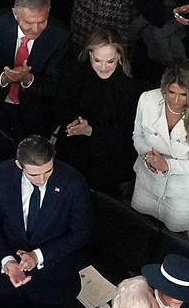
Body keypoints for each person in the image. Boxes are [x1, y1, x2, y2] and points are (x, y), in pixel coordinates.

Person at [0, 135, 92, 308]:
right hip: (7, 272)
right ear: (18, 164)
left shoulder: (73, 182)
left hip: (53, 276)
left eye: (47, 171)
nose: (42, 180)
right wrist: (7, 260)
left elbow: (81, 232)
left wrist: (38, 255)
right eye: (34, 174)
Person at [0, 0, 68, 138]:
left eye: (42, 21)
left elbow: (54, 86)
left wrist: (28, 79)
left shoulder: (59, 36)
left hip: (33, 114)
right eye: (29, 23)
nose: (36, 29)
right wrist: (4, 77)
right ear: (15, 14)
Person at [131, 61, 189, 233]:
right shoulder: (147, 99)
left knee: (174, 238)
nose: (176, 100)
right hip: (146, 182)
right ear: (164, 88)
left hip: (182, 194)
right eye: (171, 92)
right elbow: (137, 135)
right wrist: (147, 154)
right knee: (138, 229)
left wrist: (168, 165)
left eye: (183, 94)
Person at [54, 29, 140, 196]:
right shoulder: (75, 72)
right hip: (72, 147)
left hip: (106, 160)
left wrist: (91, 131)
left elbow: (127, 133)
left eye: (110, 61)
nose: (103, 67)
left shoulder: (129, 88)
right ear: (90, 54)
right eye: (97, 60)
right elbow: (60, 104)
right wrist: (73, 123)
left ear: (120, 57)